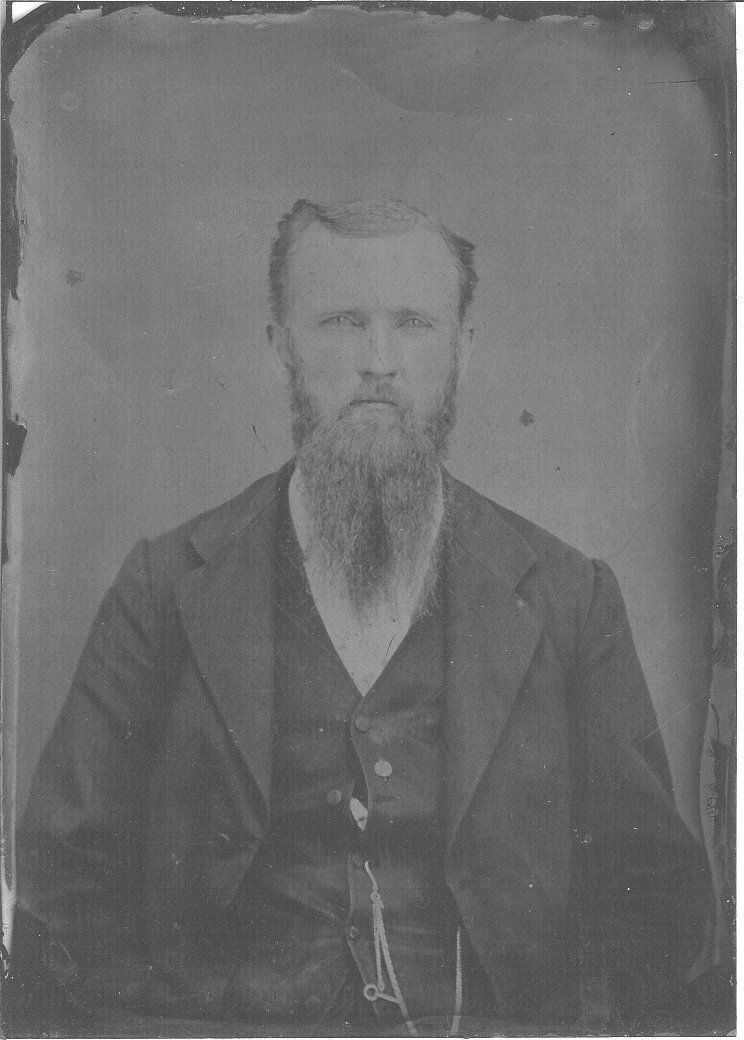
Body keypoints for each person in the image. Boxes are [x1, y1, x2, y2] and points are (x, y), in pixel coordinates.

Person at [7, 199, 712, 1037]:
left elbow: (654, 904)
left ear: (462, 347)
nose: (379, 363)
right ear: (281, 346)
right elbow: (62, 884)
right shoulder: (164, 590)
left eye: (413, 324)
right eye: (341, 323)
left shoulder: (569, 598)